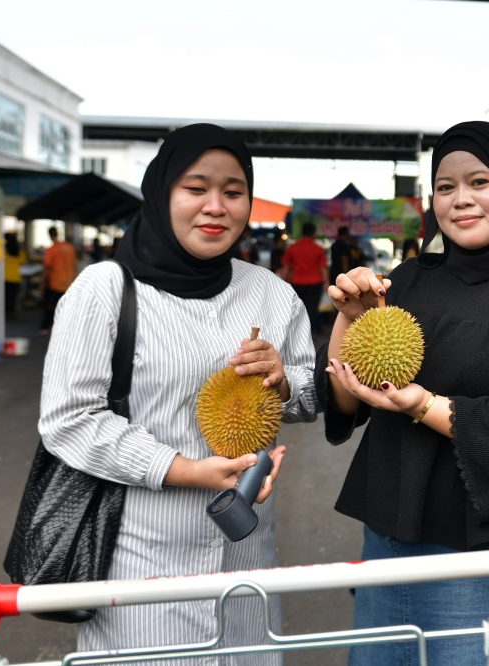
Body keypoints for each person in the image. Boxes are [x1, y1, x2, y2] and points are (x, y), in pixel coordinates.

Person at [38, 124, 317, 665]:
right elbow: (68, 420)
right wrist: (185, 469)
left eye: (233, 192)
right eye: (196, 188)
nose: (216, 206)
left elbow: (308, 396)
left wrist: (284, 380)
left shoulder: (272, 294)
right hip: (138, 567)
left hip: (246, 561)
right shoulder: (105, 290)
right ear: (162, 192)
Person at [319, 121, 489, 666]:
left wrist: (422, 405)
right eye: (445, 187)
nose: (461, 199)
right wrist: (348, 322)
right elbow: (347, 403)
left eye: (479, 181)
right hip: (385, 547)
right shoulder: (409, 279)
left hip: (483, 560)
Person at [280, 222, 328, 336]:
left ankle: (297, 333)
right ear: (313, 234)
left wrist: (282, 282)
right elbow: (323, 268)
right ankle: (307, 335)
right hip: (315, 283)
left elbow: (285, 267)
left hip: (297, 283)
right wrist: (327, 282)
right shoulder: (318, 249)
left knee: (296, 309)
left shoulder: (293, 247)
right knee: (312, 310)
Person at [40, 226, 77, 336]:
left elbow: (47, 267)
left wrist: (42, 283)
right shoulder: (69, 247)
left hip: (55, 282)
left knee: (51, 306)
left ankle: (47, 328)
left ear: (49, 235)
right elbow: (74, 264)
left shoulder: (51, 250)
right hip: (69, 281)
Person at [0, 232, 27, 313]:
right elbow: (22, 262)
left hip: (4, 277)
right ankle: (11, 311)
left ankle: (4, 311)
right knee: (13, 296)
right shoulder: (21, 253)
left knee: (5, 296)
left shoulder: (3, 251)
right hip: (15, 277)